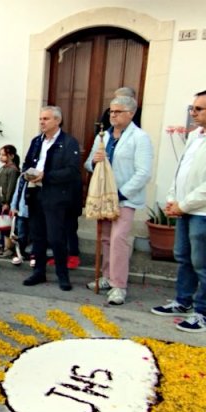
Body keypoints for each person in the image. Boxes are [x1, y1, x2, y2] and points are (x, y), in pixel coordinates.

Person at [84, 96, 153, 305]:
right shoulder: (102, 136)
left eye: (118, 112)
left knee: (118, 240)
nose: (112, 115)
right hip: (103, 196)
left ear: (130, 114)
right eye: (111, 111)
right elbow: (88, 164)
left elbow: (143, 173)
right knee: (105, 239)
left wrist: (121, 193)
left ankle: (119, 286)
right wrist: (94, 162)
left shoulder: (140, 138)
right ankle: (107, 276)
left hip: (124, 199)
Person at [151, 90, 206, 332]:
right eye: (193, 108)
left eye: (199, 109)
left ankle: (202, 312)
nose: (193, 113)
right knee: (184, 258)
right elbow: (181, 169)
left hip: (202, 212)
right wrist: (173, 199)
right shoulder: (195, 136)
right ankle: (183, 302)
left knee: (202, 264)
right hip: (184, 210)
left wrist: (184, 204)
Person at [21, 106, 82, 291]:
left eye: (46, 119)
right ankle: (38, 272)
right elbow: (26, 162)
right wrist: (27, 173)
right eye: (40, 118)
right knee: (37, 236)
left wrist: (46, 176)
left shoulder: (69, 142)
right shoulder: (36, 141)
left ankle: (62, 275)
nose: (42, 122)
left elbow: (71, 171)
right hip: (35, 193)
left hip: (56, 197)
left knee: (56, 237)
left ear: (57, 120)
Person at [0, 145, 20, 257]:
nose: (1, 157)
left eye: (4, 155)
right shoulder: (4, 167)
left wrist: (7, 202)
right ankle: (1, 245)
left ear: (11, 156)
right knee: (2, 225)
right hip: (0, 201)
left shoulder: (13, 170)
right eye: (0, 154)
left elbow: (11, 188)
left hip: (5, 203)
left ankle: (7, 248)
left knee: (7, 226)